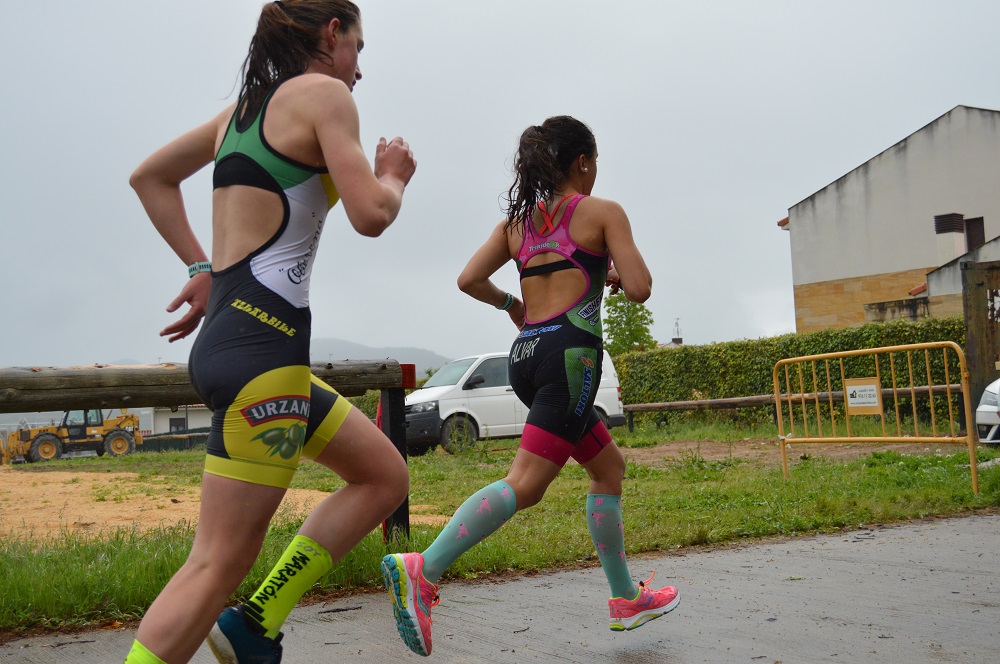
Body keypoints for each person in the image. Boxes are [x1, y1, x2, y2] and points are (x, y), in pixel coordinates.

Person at [125, 2, 415, 663]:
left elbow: (150, 176)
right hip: (266, 361)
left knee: (383, 476)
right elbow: (371, 213)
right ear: (330, 33)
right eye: (359, 49)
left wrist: (202, 265)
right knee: (215, 565)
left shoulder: (240, 114)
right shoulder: (324, 96)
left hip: (233, 344)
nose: (360, 72)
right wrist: (393, 176)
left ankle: (253, 626)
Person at [380, 115, 679, 657]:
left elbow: (468, 279)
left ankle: (624, 598)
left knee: (608, 468)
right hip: (571, 362)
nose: (596, 173)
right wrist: (610, 264)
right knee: (526, 485)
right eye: (595, 163)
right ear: (582, 161)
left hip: (525, 358)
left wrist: (515, 306)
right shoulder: (603, 212)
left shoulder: (517, 223)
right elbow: (640, 289)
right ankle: (423, 570)